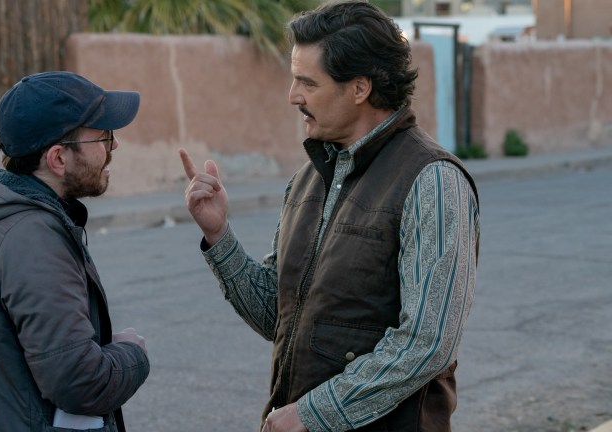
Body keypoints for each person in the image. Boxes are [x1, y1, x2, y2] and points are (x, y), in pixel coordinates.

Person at [179, 2, 480, 431]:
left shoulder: (432, 180)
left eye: (307, 82)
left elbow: (428, 342)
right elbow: (277, 316)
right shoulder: (309, 178)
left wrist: (312, 413)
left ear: (359, 88)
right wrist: (219, 236)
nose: (293, 96)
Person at [0, 71, 150, 432]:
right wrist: (132, 353)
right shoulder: (31, 237)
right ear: (58, 158)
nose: (113, 147)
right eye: (104, 136)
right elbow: (80, 382)